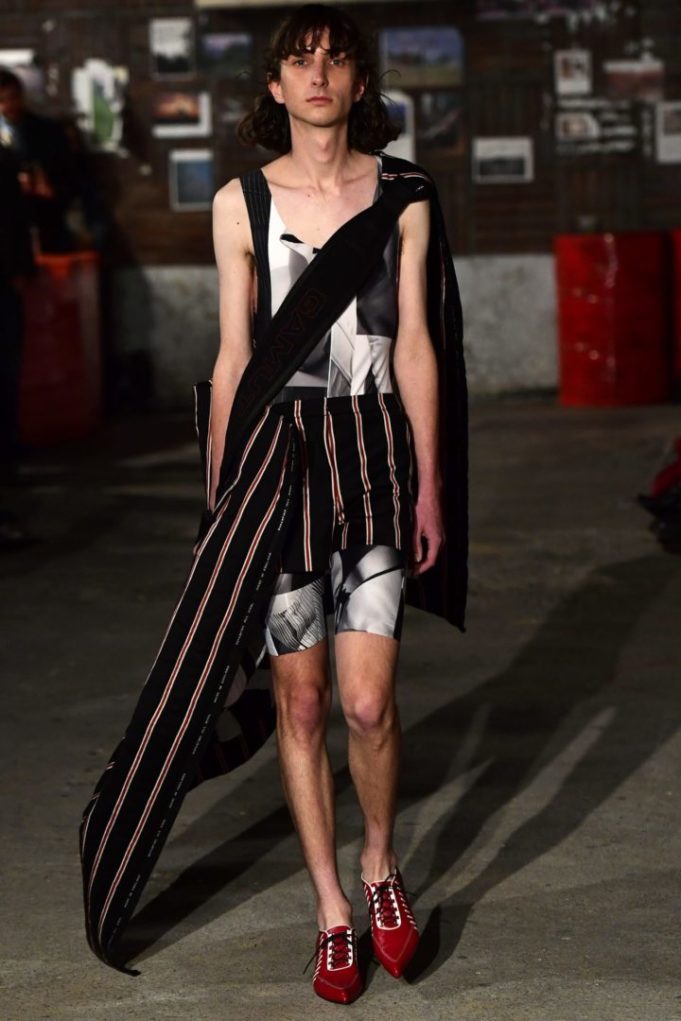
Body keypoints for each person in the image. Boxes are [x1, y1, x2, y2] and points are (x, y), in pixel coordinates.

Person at [78, 3, 468, 1004]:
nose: (318, 74)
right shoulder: (240, 203)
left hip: (372, 454)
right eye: (300, 60)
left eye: (336, 59)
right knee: (299, 698)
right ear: (275, 84)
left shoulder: (405, 195)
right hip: (276, 465)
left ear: (361, 83)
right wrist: (220, 505)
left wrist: (431, 484)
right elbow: (233, 357)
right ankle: (332, 911)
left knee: (367, 700)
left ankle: (380, 863)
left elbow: (416, 343)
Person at [0, 68, 78, 252]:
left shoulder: (48, 131)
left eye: (12, 98)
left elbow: (69, 172)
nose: (8, 106)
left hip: (45, 216)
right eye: (1, 101)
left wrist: (46, 185)